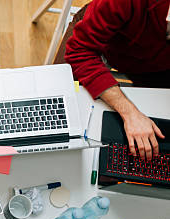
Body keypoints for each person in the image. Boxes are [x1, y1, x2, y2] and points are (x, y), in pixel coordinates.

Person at [62, 0, 170, 160]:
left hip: (158, 63)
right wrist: (130, 113)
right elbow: (79, 52)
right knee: (69, 112)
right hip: (114, 45)